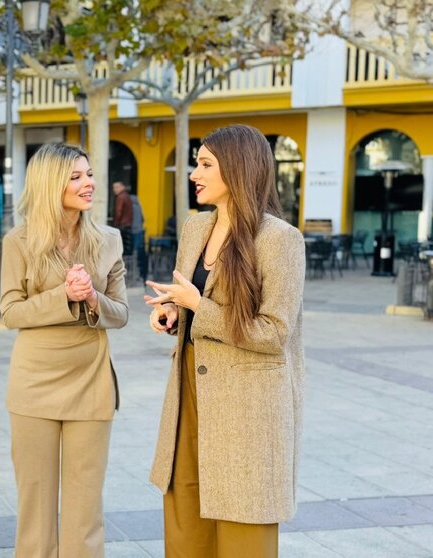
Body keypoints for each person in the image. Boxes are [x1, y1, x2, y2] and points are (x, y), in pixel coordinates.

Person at [144, 124, 305, 558]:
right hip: (190, 396)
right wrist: (173, 314)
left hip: (247, 407)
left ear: (237, 170)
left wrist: (199, 305)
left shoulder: (280, 240)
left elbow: (274, 333)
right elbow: (193, 309)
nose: (195, 173)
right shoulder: (195, 228)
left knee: (243, 530)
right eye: (197, 163)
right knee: (186, 522)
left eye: (205, 165)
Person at [0, 143, 129, 557]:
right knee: (35, 506)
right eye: (76, 177)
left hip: (90, 382)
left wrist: (92, 298)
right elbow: (11, 312)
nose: (89, 183)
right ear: (50, 182)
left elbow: (121, 312)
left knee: (84, 509)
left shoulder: (109, 240)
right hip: (34, 385)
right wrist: (63, 296)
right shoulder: (18, 241)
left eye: (89, 174)